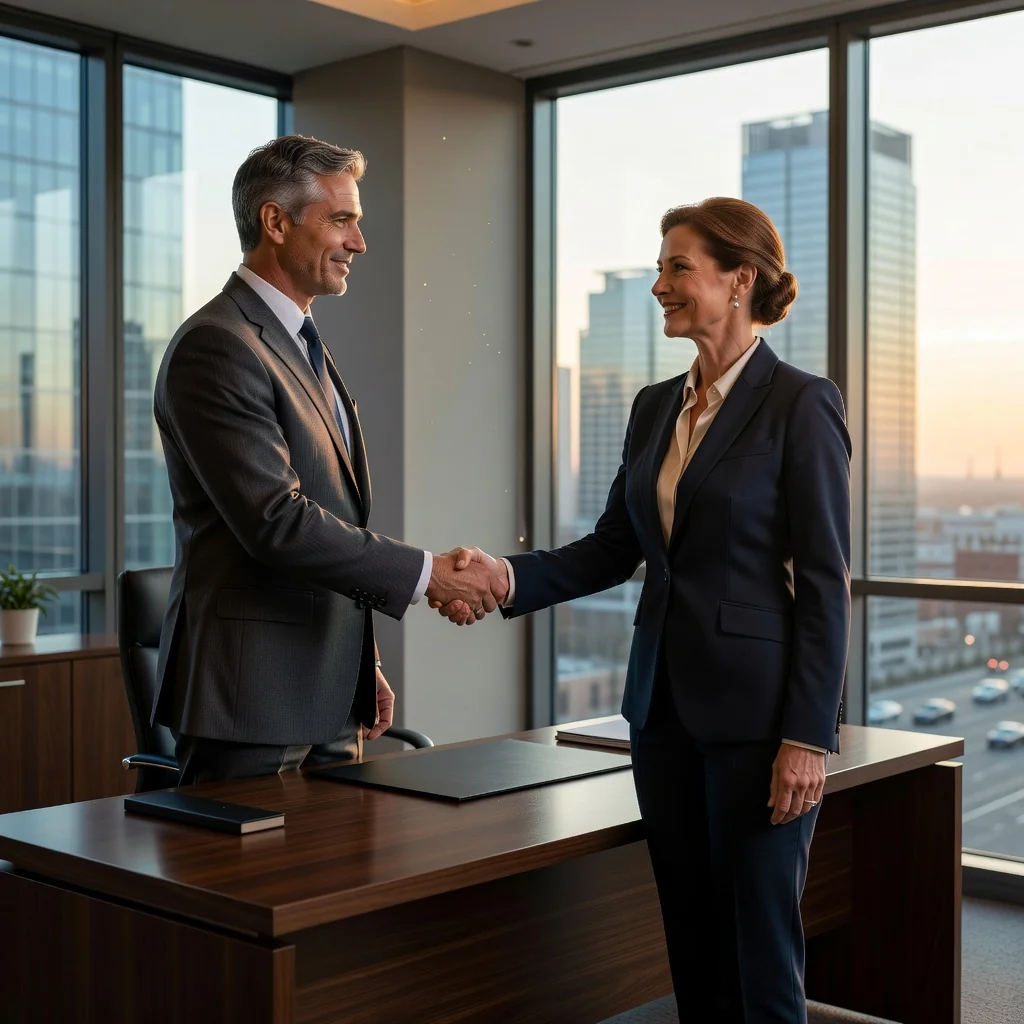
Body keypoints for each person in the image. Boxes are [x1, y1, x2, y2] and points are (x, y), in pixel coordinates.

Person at [436, 197, 851, 1023]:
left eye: (677, 267)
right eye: (660, 268)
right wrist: (504, 577)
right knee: (692, 942)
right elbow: (611, 548)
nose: (659, 285)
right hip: (660, 715)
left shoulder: (800, 403)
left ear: (740, 279)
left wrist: (808, 737)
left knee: (760, 951)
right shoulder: (654, 406)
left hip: (757, 723)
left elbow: (825, 582)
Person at [152, 135, 503, 785]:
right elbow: (276, 522)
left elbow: (330, 513)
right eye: (341, 219)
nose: (359, 242)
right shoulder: (218, 346)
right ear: (275, 222)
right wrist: (429, 574)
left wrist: (359, 661)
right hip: (252, 697)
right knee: (253, 858)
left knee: (345, 854)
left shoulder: (299, 341)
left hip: (330, 691)